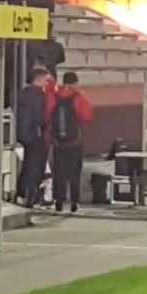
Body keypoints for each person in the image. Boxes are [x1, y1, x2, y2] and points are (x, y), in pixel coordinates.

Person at [47, 72, 93, 212]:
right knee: (74, 173)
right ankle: (74, 202)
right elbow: (87, 117)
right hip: (74, 142)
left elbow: (47, 114)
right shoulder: (78, 97)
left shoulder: (54, 97)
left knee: (59, 173)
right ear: (75, 82)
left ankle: (58, 202)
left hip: (58, 143)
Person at [17, 68, 50, 208]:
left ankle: (22, 193)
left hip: (24, 135)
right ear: (39, 79)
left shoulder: (23, 94)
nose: (47, 82)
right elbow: (40, 117)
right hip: (36, 135)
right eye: (45, 79)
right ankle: (32, 196)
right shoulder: (38, 96)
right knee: (35, 168)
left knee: (27, 165)